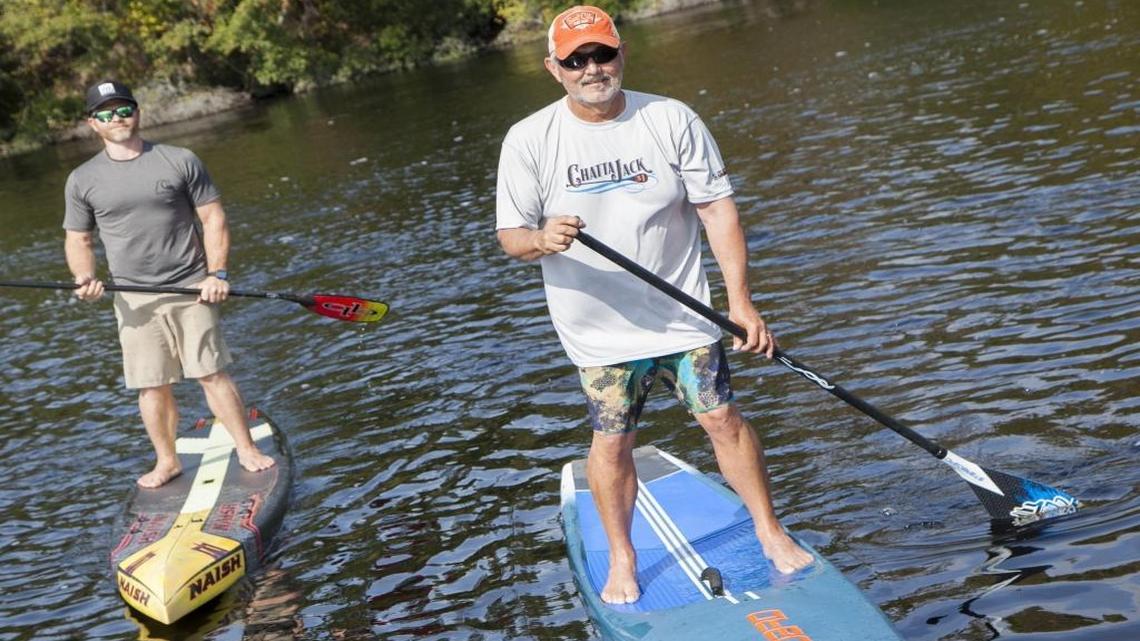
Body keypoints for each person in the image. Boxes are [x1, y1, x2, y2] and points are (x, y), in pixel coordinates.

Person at [495, 6, 813, 604]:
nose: (592, 69)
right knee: (613, 441)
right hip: (599, 335)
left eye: (602, 54)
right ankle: (622, 557)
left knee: (721, 418)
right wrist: (540, 240)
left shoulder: (669, 118)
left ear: (622, 53)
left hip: (686, 314)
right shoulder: (529, 140)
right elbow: (511, 237)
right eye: (576, 60)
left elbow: (717, 210)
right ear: (553, 69)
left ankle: (770, 531)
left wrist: (741, 303)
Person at [63, 79, 274, 489]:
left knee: (211, 373)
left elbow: (213, 218)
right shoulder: (82, 179)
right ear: (93, 124)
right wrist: (84, 278)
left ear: (137, 112)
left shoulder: (179, 159)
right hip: (132, 298)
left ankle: (246, 449)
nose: (117, 118)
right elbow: (78, 238)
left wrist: (217, 274)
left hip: (191, 287)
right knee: (151, 385)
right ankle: (167, 461)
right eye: (105, 114)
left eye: (124, 109)